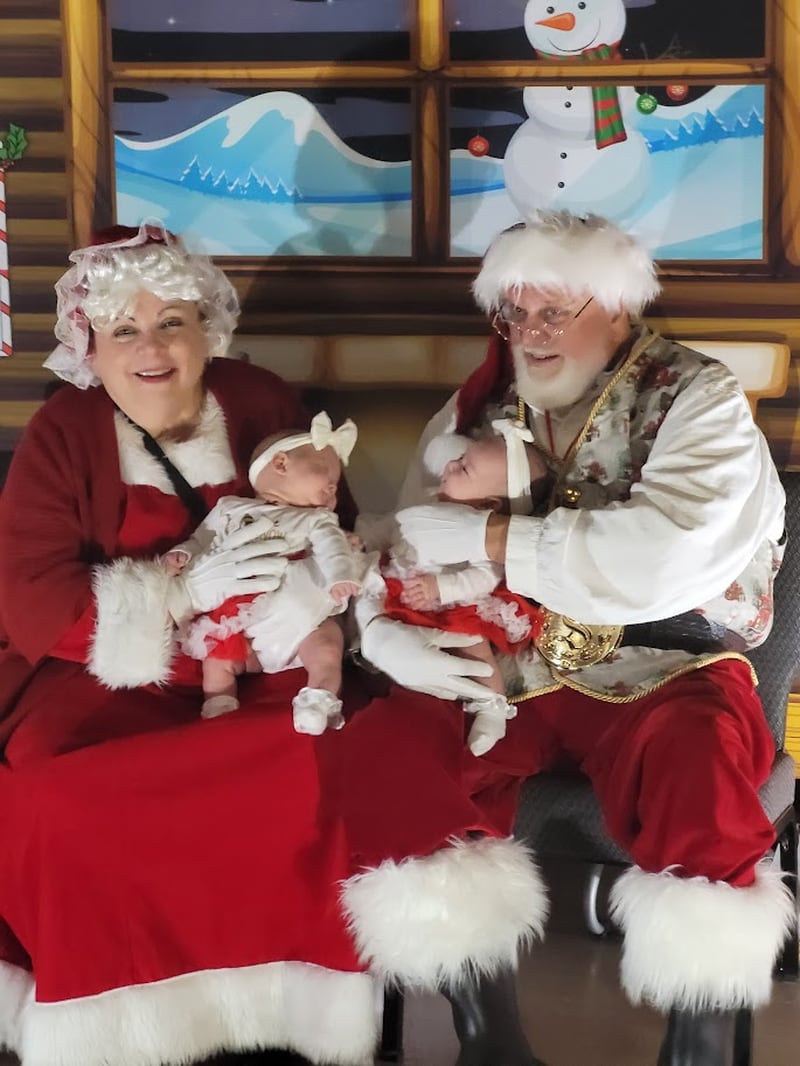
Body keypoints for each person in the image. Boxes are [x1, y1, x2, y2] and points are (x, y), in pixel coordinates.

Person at [0, 221, 548, 1066]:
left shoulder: (257, 396)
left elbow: (337, 526)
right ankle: (123, 1028)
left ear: (204, 331)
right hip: (110, 678)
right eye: (124, 331)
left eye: (171, 323)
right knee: (57, 798)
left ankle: (289, 1023)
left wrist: (350, 612)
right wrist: (176, 591)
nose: (152, 350)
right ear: (91, 346)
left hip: (274, 659)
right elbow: (31, 597)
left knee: (324, 763)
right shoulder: (63, 433)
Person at [360, 210, 795, 1065]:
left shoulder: (696, 397)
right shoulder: (478, 404)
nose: (529, 333)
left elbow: (666, 555)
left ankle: (698, 1032)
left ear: (617, 305)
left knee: (698, 757)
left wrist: (493, 542)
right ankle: (485, 1031)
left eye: (552, 311)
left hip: (666, 658)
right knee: (396, 747)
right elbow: (407, 540)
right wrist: (381, 634)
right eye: (514, 314)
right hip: (506, 660)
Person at [165, 411, 362, 733]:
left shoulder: (317, 520)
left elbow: (332, 549)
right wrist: (183, 554)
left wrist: (340, 575)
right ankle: (219, 704)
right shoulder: (231, 508)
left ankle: (318, 700)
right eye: (325, 473)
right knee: (217, 656)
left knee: (328, 646)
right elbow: (203, 538)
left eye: (336, 486)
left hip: (304, 625)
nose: (332, 488)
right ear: (281, 464)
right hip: (244, 621)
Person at [378, 423, 550, 755]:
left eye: (463, 468)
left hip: (453, 601)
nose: (449, 467)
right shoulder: (433, 502)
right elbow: (396, 529)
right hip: (407, 589)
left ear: (489, 505)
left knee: (475, 648)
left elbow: (485, 578)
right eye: (459, 459)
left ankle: (492, 706)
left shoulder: (481, 535)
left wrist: (441, 587)